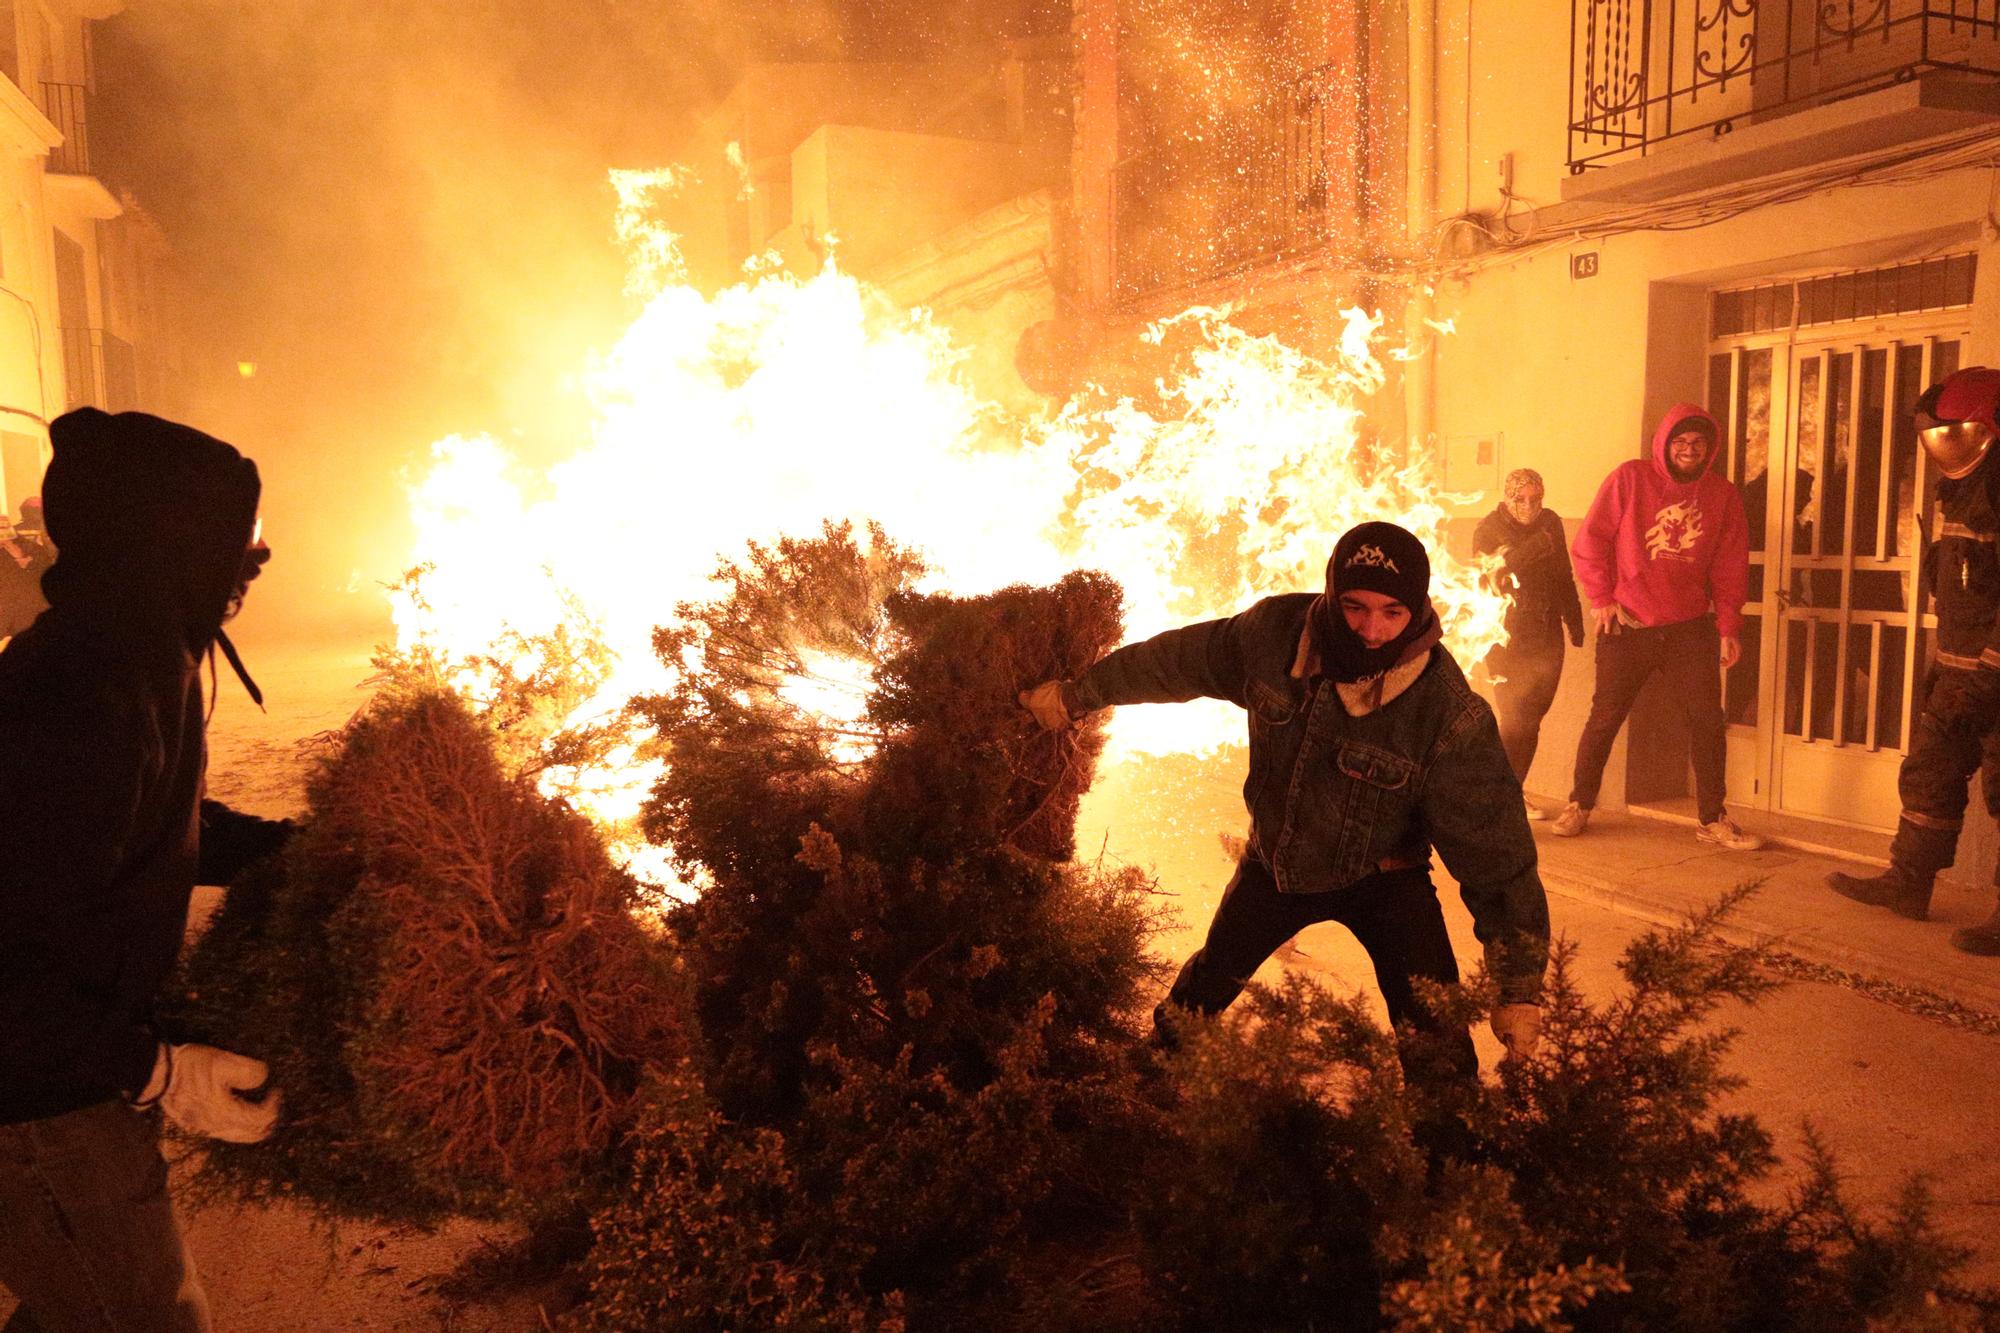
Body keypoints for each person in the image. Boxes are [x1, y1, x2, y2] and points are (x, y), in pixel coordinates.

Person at [1019, 521, 1551, 1077]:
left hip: (1387, 880)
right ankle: (1143, 1089)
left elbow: (1496, 856)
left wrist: (1518, 988)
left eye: (1392, 612)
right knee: (1197, 999)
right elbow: (1177, 661)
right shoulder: (1271, 636)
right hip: (1274, 866)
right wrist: (1080, 695)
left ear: (1416, 609)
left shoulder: (1446, 713)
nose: (1372, 630)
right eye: (1355, 607)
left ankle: (1450, 1149)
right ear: (1330, 594)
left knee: (1435, 1038)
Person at [0, 409, 293, 1332]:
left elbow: (150, 814)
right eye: (236, 536)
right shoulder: (79, 688)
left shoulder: (135, 647)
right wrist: (158, 1072)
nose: (255, 558)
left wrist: (291, 850)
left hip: (64, 1067)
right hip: (35, 1103)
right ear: (169, 536)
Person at [1827, 367, 2000, 956]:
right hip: (1959, 670)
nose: (1935, 446)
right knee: (1930, 775)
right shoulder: (1964, 489)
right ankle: (1908, 884)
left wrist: (1987, 675)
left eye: (1944, 432)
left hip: (1994, 674)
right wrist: (1946, 667)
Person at [1549, 403, 1764, 851]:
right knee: (1605, 716)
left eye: (1698, 443)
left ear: (1710, 449)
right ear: (1665, 444)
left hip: (1689, 627)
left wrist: (1728, 625)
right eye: (1680, 442)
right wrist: (1602, 599)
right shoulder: (1630, 479)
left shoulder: (1722, 495)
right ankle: (1579, 804)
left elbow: (1730, 565)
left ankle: (1713, 818)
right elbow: (1589, 542)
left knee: (1707, 719)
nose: (1688, 450)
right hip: (1627, 624)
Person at [1474, 468, 1584, 819]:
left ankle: (1512, 791)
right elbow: (1490, 577)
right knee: (1514, 717)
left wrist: (1574, 618)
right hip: (1505, 634)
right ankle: (1496, 800)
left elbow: (1563, 573)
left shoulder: (1551, 521)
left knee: (1533, 717)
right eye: (1520, 499)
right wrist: (1532, 548)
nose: (1529, 506)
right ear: (1508, 497)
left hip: (1545, 630)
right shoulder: (1488, 528)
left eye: (1535, 499)